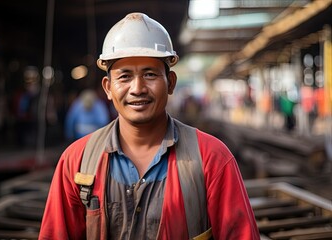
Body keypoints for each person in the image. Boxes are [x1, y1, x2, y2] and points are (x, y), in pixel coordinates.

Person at [39, 12, 259, 240]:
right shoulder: (77, 161)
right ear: (107, 88)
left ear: (170, 82)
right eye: (124, 77)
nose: (138, 88)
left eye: (150, 74)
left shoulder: (212, 158)